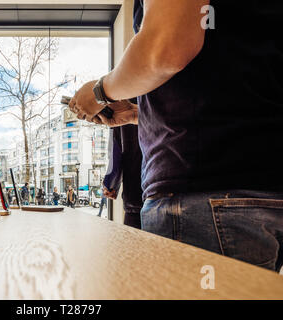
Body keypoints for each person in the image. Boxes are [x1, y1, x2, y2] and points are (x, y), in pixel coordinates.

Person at [69, 0, 283, 272]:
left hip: (206, 192)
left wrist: (100, 92)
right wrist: (138, 115)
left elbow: (166, 48)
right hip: (263, 186)